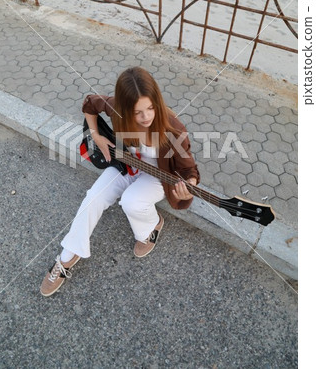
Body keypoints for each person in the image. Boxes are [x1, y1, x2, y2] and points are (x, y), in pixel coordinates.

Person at [40, 67, 200, 297]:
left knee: (131, 202)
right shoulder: (117, 108)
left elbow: (188, 169)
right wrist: (96, 135)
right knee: (92, 198)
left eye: (151, 108)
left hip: (157, 174)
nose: (146, 118)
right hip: (127, 164)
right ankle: (66, 258)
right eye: (137, 112)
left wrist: (189, 187)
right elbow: (90, 104)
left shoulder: (173, 128)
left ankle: (151, 226)